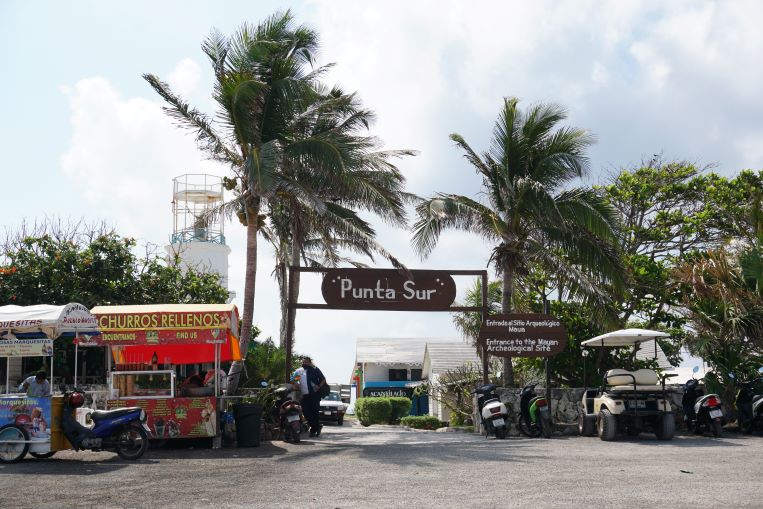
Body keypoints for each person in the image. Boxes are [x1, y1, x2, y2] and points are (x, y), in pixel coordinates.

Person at [292, 356, 327, 437]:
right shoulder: (299, 371)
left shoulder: (315, 369)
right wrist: (297, 385)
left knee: (314, 413)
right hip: (305, 395)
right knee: (305, 412)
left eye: (306, 362)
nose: (304, 363)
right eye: (303, 362)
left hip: (315, 395)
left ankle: (313, 430)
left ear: (310, 363)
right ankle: (317, 426)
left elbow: (323, 379)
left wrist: (318, 386)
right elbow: (294, 380)